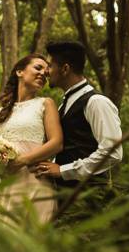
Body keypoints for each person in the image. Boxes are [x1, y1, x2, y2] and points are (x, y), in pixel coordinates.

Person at [33, 41, 122, 196]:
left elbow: (113, 152)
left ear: (65, 69)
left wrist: (63, 170)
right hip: (64, 195)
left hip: (89, 196)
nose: (47, 71)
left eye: (50, 65)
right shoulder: (63, 105)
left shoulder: (96, 102)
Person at [0, 53, 63, 224]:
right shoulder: (0, 113)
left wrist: (22, 160)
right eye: (38, 67)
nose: (43, 73)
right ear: (19, 71)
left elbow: (56, 143)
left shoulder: (45, 103)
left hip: (34, 183)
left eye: (46, 72)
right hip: (6, 185)